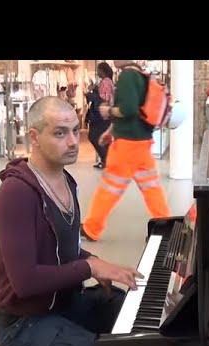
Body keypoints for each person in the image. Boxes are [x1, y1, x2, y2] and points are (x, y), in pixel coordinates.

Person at [0, 96, 175, 346]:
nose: (74, 141)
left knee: (125, 314)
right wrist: (88, 266)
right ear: (34, 137)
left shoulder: (65, 180)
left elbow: (65, 249)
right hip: (24, 322)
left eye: (77, 130)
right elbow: (24, 281)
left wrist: (97, 264)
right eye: (60, 133)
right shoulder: (16, 194)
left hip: (62, 303)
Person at [81, 60, 171, 242]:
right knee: (152, 189)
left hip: (127, 146)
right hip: (142, 142)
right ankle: (166, 228)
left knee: (109, 187)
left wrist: (108, 111)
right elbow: (137, 112)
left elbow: (128, 110)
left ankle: (92, 228)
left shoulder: (127, 76)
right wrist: (110, 131)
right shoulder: (140, 75)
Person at [85, 62, 114, 169]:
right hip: (104, 115)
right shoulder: (106, 81)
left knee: (93, 136)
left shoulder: (106, 82)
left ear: (103, 70)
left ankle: (105, 159)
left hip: (101, 115)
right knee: (101, 137)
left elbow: (104, 99)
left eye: (99, 70)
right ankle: (107, 159)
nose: (97, 72)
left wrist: (90, 94)